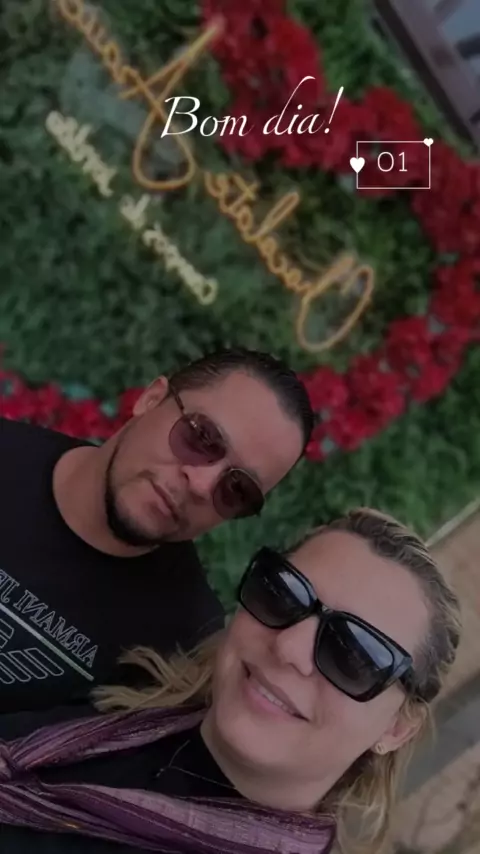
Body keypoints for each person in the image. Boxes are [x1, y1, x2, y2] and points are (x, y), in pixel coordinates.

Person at [0, 508, 461, 854]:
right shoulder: (122, 695)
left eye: (354, 655)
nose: (289, 647)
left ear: (396, 728)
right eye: (284, 593)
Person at [0, 347, 313, 713]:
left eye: (237, 490)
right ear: (150, 400)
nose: (201, 485)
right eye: (201, 438)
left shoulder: (180, 653)